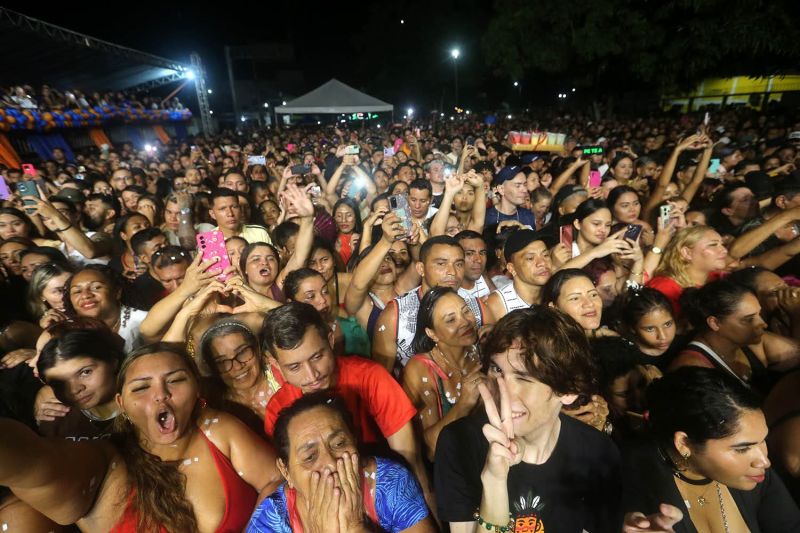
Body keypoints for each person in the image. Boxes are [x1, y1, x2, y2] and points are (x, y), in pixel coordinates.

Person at [0, 342, 282, 532]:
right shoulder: (106, 465)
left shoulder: (216, 428)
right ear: (122, 403)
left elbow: (277, 479)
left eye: (175, 380)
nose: (160, 394)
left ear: (198, 389)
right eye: (141, 388)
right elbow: (30, 464)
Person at [434, 306, 621, 532]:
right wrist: (494, 481)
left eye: (524, 378)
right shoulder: (459, 441)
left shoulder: (597, 452)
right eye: (496, 369)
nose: (503, 389)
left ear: (568, 390)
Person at [260, 302, 433, 507]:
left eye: (317, 357)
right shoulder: (277, 409)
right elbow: (293, 483)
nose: (312, 375)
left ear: (330, 340)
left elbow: (409, 460)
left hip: (384, 491)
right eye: (294, 367)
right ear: (275, 364)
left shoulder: (370, 378)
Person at [621, 367, 800, 533]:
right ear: (684, 443)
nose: (764, 461)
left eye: (763, 441)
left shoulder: (756, 474)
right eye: (742, 448)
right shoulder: (635, 488)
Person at [246, 392, 435, 532]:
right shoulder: (272, 518)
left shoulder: (390, 484)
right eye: (310, 457)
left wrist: (355, 527)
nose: (330, 463)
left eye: (339, 443)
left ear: (355, 440)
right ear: (286, 471)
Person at [372, 235, 492, 372]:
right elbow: (383, 378)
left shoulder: (478, 308)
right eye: (441, 264)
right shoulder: (394, 316)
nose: (452, 272)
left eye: (458, 264)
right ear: (421, 269)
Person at [669, 280, 800, 396]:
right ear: (715, 323)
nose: (763, 324)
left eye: (759, 314)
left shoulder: (752, 341)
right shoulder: (693, 369)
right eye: (749, 319)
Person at [402, 287, 483, 460]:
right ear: (432, 333)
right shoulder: (420, 369)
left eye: (466, 311)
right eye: (451, 320)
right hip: (448, 469)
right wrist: (464, 404)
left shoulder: (483, 351)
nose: (465, 322)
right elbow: (431, 449)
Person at [36, 327, 125, 440]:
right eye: (59, 383)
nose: (74, 389)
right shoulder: (57, 422)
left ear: (113, 361)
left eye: (85, 372)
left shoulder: (148, 406)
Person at [199, 317, 280, 435]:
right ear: (213, 368)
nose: (237, 366)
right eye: (222, 362)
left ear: (256, 348)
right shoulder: (214, 404)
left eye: (242, 352)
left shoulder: (282, 372)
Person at [647, 225, 728, 317]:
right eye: (713, 245)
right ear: (687, 253)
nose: (724, 250)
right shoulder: (664, 287)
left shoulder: (720, 278)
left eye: (723, 244)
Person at [63, 265, 147, 351]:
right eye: (77, 291)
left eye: (96, 287)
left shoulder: (144, 321)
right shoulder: (66, 333)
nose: (85, 295)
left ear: (117, 292)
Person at [485, 229, 554, 317]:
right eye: (530, 258)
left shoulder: (557, 295)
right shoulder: (497, 305)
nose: (542, 263)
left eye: (546, 255)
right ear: (512, 268)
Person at [614, 286, 680, 368]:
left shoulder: (684, 347)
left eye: (667, 324)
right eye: (650, 329)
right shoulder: (626, 359)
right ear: (632, 328)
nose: (663, 336)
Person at [27, 262, 74, 328]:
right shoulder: (41, 326)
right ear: (41, 296)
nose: (68, 294)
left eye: (72, 287)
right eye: (59, 291)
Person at [455, 230, 496, 299]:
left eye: (482, 253)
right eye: (469, 253)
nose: (479, 260)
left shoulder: (483, 277)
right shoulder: (450, 292)